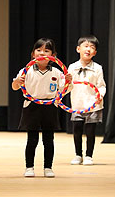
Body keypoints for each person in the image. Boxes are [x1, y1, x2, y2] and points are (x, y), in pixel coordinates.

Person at [12, 38, 72, 177]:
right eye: (39, 50)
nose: (42, 53)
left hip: (49, 106)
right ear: (33, 54)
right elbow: (15, 87)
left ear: (53, 56)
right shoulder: (26, 71)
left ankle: (48, 167)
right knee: (32, 139)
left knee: (48, 139)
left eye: (46, 50)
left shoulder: (57, 72)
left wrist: (68, 81)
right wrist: (17, 82)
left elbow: (65, 89)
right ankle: (29, 167)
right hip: (32, 106)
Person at [68, 35, 106, 165]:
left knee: (90, 130)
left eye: (92, 47)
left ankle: (89, 155)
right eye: (86, 46)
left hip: (93, 104)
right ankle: (78, 154)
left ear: (95, 52)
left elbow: (101, 85)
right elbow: (67, 85)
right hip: (78, 103)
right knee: (77, 129)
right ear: (78, 49)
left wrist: (100, 95)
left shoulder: (98, 68)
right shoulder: (72, 67)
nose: (88, 49)